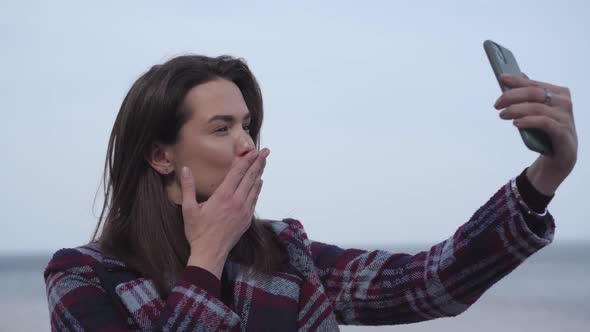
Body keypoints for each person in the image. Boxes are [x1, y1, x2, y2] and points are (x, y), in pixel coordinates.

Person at [44, 55, 578, 331]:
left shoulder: (286, 254)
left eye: (248, 126)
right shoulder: (84, 277)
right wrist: (204, 260)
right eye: (221, 128)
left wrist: (545, 177)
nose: (247, 145)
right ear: (160, 156)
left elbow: (430, 283)